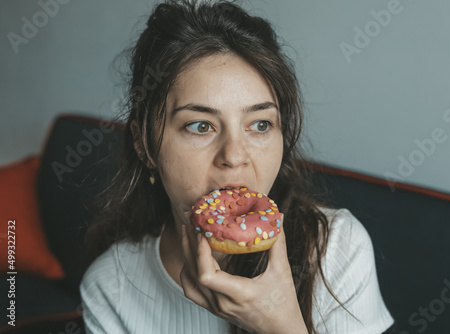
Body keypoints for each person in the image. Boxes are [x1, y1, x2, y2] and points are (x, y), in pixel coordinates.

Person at [80, 0, 395, 333]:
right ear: (145, 147)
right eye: (200, 126)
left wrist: (280, 324)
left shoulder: (337, 249)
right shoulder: (110, 286)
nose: (234, 155)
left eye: (260, 125)